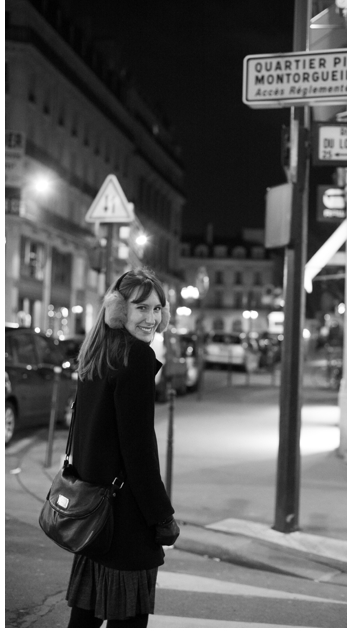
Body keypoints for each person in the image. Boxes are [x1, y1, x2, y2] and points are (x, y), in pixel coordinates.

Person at [65, 269, 180, 628]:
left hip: (93, 514)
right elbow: (139, 449)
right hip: (125, 519)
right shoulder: (136, 358)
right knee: (128, 620)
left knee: (84, 618)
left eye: (157, 309)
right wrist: (161, 516)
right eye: (141, 308)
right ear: (118, 309)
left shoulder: (97, 351)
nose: (152, 318)